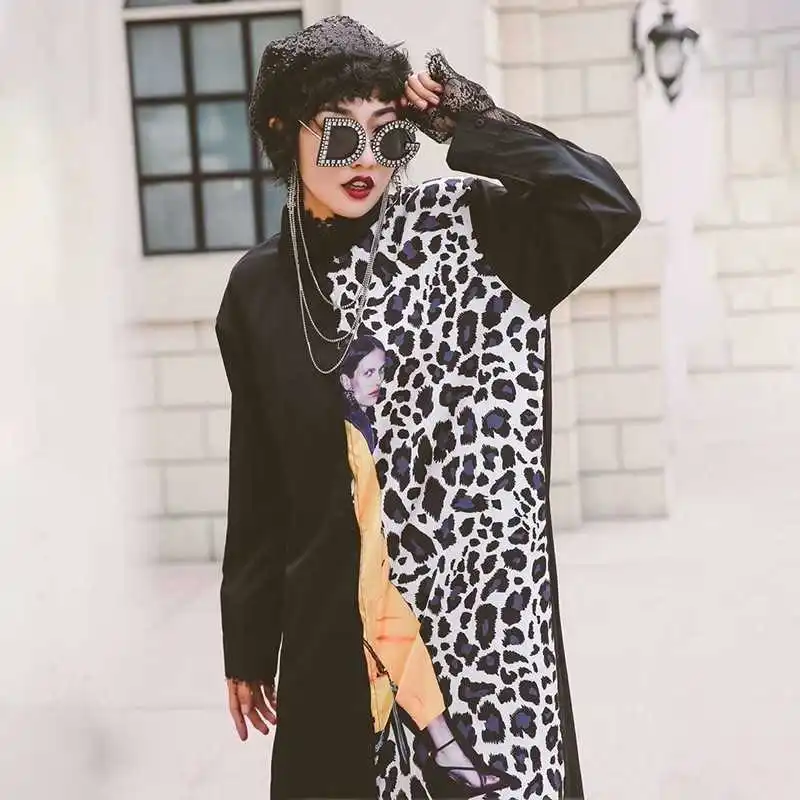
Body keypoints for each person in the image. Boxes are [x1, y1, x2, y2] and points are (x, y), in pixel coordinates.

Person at [215, 14, 641, 800]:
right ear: (282, 131)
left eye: (388, 135)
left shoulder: (469, 232)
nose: (366, 160)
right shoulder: (258, 290)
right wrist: (247, 636)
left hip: (477, 637)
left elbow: (602, 204)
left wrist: (472, 124)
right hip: (330, 628)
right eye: (339, 134)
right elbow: (260, 481)